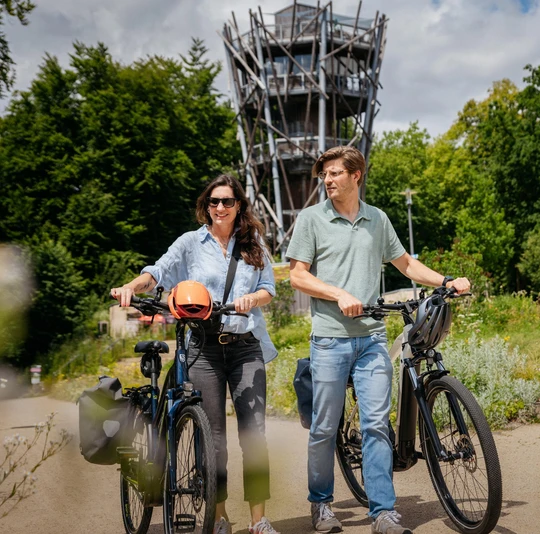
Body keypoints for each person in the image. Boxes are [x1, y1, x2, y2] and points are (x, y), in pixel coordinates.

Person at [286, 146, 470, 534]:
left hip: (370, 338)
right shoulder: (311, 219)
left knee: (374, 424)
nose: (327, 180)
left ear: (356, 176)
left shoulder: (378, 219)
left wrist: (446, 281)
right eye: (324, 175)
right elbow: (297, 276)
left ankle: (383, 512)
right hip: (330, 339)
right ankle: (321, 505)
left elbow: (405, 264)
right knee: (324, 426)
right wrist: (338, 294)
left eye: (335, 173)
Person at [111, 174, 280, 534]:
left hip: (245, 347)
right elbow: (156, 273)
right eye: (214, 201)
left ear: (239, 207)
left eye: (228, 202)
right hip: (202, 348)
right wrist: (130, 286)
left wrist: (253, 299)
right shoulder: (191, 243)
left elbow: (268, 288)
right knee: (212, 438)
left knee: (255, 435)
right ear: (206, 206)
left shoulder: (253, 243)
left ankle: (258, 520)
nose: (220, 207)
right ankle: (218, 517)